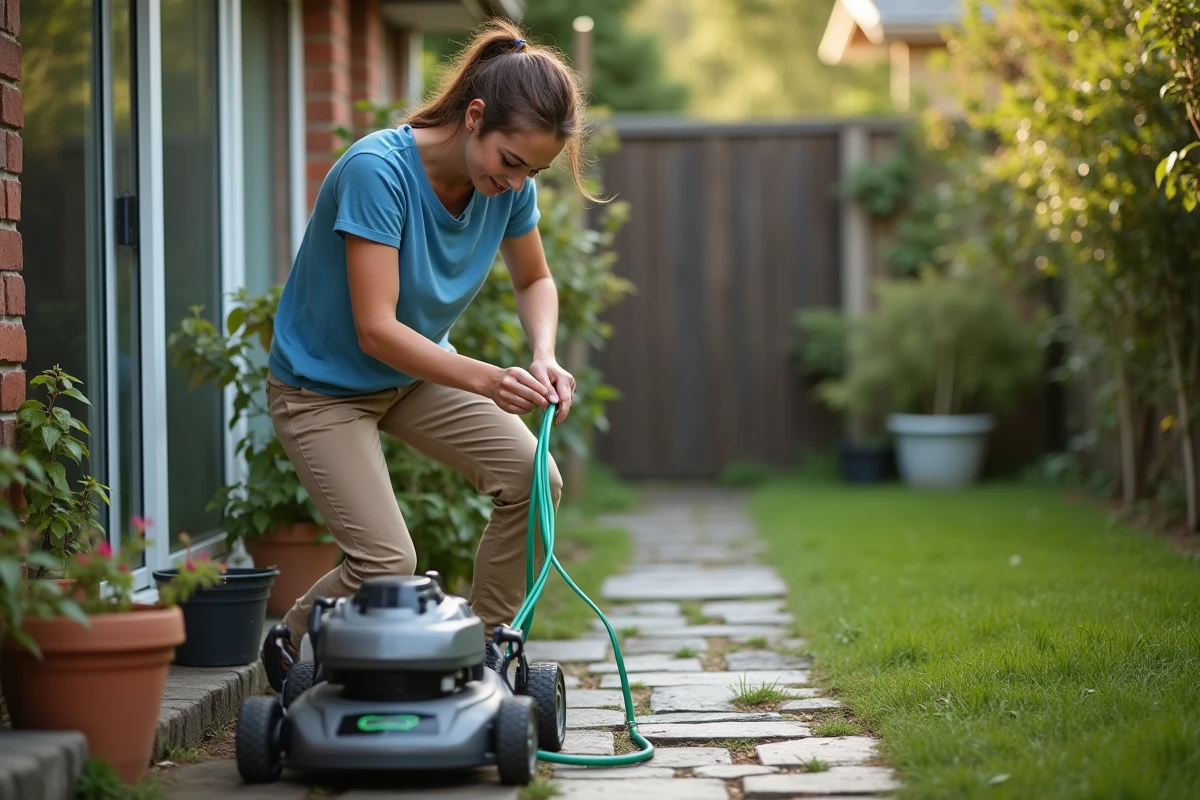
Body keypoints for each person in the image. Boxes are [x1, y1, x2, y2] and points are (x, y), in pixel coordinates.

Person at [259, 19, 599, 692]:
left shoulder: (508, 188)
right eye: (511, 161)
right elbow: (376, 330)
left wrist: (543, 353)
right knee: (386, 562)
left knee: (534, 481)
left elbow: (534, 278)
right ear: (475, 117)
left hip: (413, 378)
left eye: (533, 171)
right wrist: (489, 379)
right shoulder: (377, 172)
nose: (517, 182)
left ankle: (487, 649)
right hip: (321, 389)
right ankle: (289, 643)